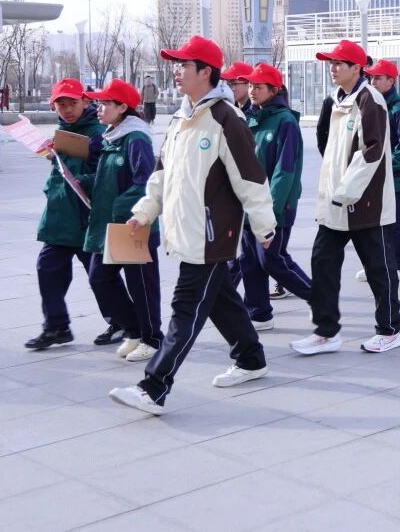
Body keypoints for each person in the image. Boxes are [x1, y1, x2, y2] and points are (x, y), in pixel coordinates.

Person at [109, 36, 278, 416]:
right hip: (187, 231)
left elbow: (250, 179)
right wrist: (144, 211)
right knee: (219, 299)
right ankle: (251, 359)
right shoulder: (181, 118)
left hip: (211, 234)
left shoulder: (226, 118)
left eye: (184, 64)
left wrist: (264, 226)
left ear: (206, 71)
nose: (177, 70)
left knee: (186, 307)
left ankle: (154, 386)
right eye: (176, 63)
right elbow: (162, 173)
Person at [290, 39, 400, 357]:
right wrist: (333, 194)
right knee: (322, 261)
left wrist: (346, 191)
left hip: (366, 205)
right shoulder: (336, 100)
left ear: (357, 68)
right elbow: (329, 147)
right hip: (337, 206)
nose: (333, 67)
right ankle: (326, 332)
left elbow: (373, 150)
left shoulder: (371, 101)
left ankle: (391, 329)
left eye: (339, 63)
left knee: (379, 269)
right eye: (331, 62)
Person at [79, 79, 163, 363]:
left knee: (141, 283)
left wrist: (121, 208)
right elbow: (109, 178)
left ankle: (152, 338)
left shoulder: (136, 138)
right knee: (99, 278)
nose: (98, 108)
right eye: (98, 102)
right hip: (110, 225)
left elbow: (144, 182)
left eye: (105, 103)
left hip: (132, 224)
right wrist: (82, 181)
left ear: (123, 107)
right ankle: (134, 330)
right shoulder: (111, 135)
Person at [24, 78, 108, 351]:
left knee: (101, 277)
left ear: (85, 101)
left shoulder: (98, 132)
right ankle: (56, 326)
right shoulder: (62, 131)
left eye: (73, 102)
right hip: (60, 217)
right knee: (48, 269)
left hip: (85, 218)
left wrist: (77, 176)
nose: (68, 109)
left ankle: (122, 322)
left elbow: (102, 175)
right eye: (61, 104)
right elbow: (61, 171)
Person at [225, 63, 314, 323]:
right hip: (248, 205)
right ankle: (259, 313)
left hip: (274, 207)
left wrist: (270, 212)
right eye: (250, 85)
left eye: (258, 86)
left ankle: (318, 298)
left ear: (274, 90)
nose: (252, 90)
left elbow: (284, 172)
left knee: (271, 260)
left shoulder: (285, 122)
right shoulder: (249, 118)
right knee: (250, 261)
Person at [361, 59, 400, 282]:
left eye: (378, 78)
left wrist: (387, 165)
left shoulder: (399, 109)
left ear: (390, 80)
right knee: (378, 224)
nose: (373, 81)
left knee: (399, 222)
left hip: (397, 178)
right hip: (378, 176)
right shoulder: (373, 105)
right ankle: (382, 264)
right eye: (371, 77)